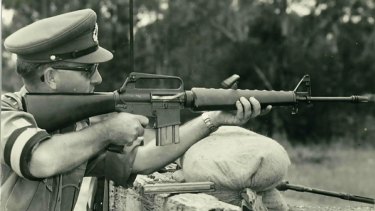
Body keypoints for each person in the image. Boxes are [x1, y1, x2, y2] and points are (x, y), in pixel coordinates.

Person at [1, 9, 273, 211]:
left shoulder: (75, 130)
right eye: (89, 70)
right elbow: (40, 158)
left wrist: (212, 119)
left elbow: (142, 159)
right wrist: (108, 130)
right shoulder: (6, 112)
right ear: (50, 77)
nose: (98, 80)